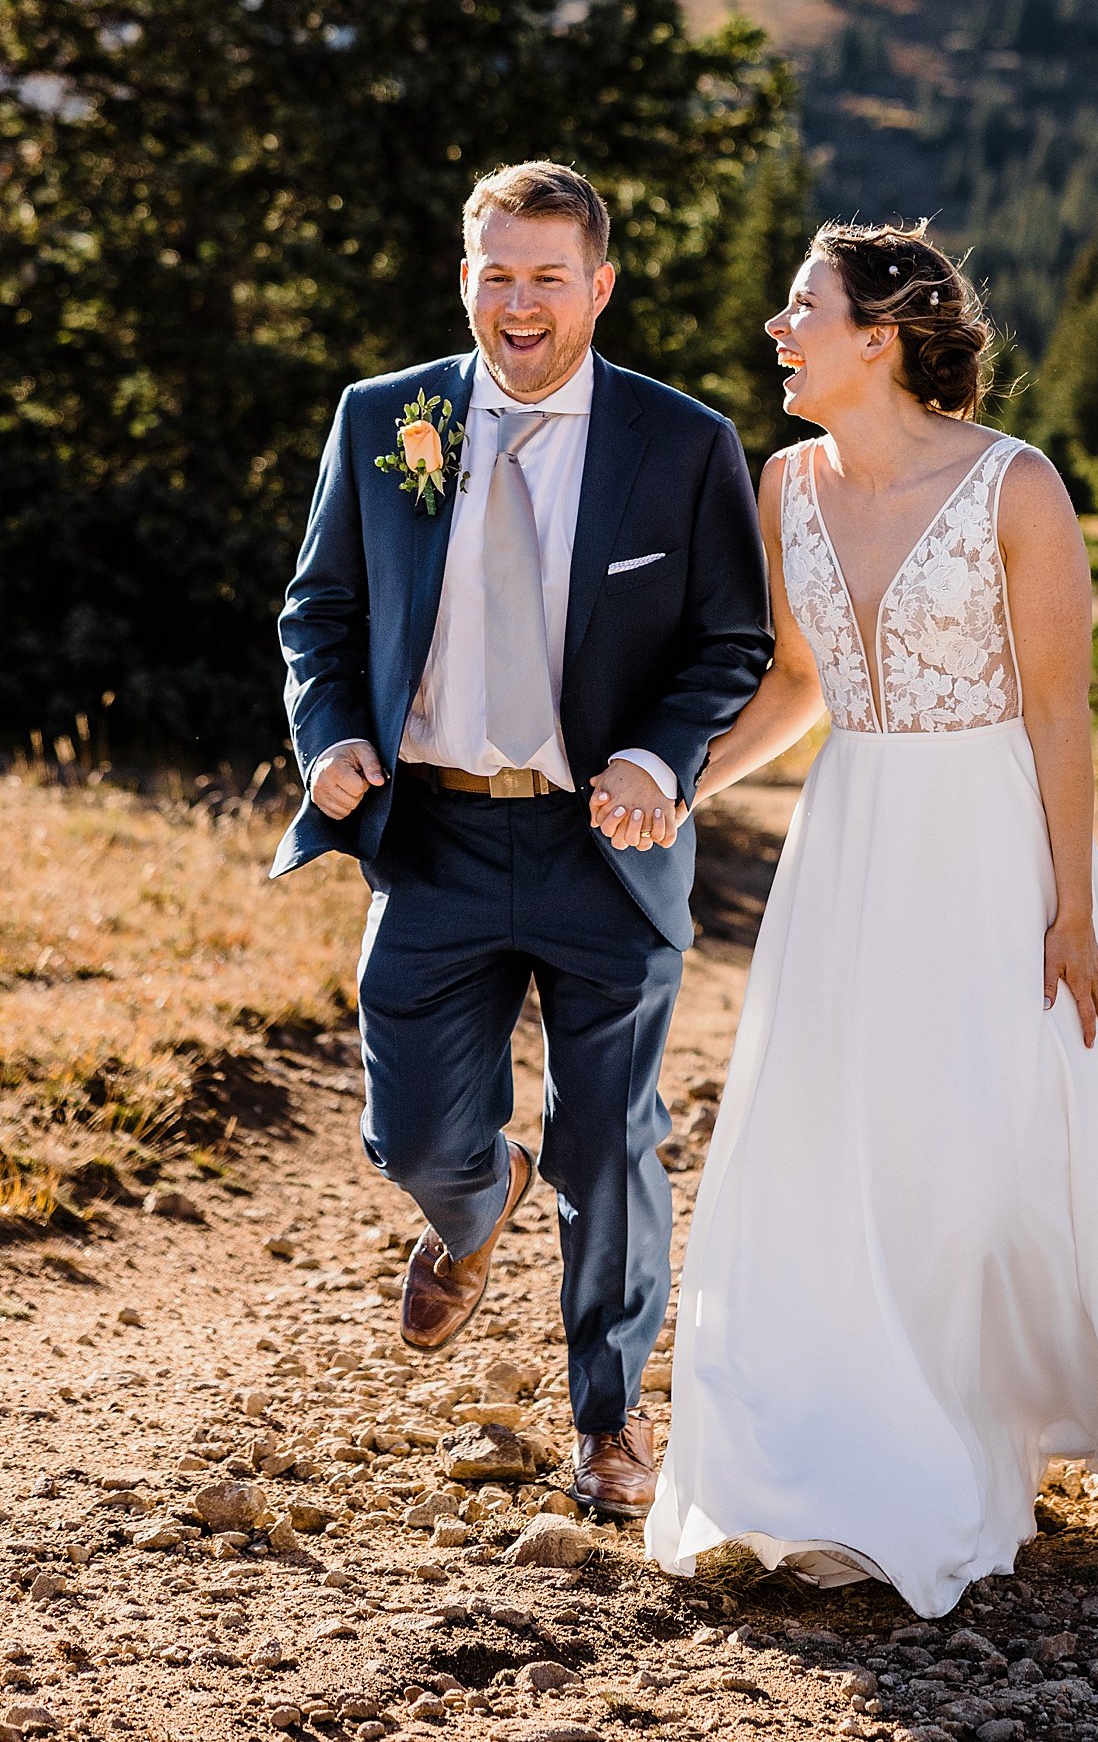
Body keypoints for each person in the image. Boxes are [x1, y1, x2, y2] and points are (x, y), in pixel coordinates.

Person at [647, 221, 1098, 1617]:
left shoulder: (1016, 484)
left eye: (800, 306)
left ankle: (1055, 1411)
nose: (776, 325)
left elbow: (1061, 709)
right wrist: (678, 781)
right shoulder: (785, 485)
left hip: (994, 845)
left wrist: (1073, 910)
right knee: (850, 1147)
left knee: (1007, 1155)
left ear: (875, 338)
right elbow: (800, 685)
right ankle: (874, 1450)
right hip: (853, 848)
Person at [275, 160, 770, 1519]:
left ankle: (608, 1428)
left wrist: (657, 757)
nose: (520, 302)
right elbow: (317, 614)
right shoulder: (388, 419)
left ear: (600, 286)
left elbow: (733, 639)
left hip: (603, 847)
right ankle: (473, 1196)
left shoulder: (680, 444)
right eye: (496, 272)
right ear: (464, 280)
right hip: (429, 839)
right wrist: (330, 739)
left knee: (606, 1142)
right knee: (415, 1135)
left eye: (550, 275)